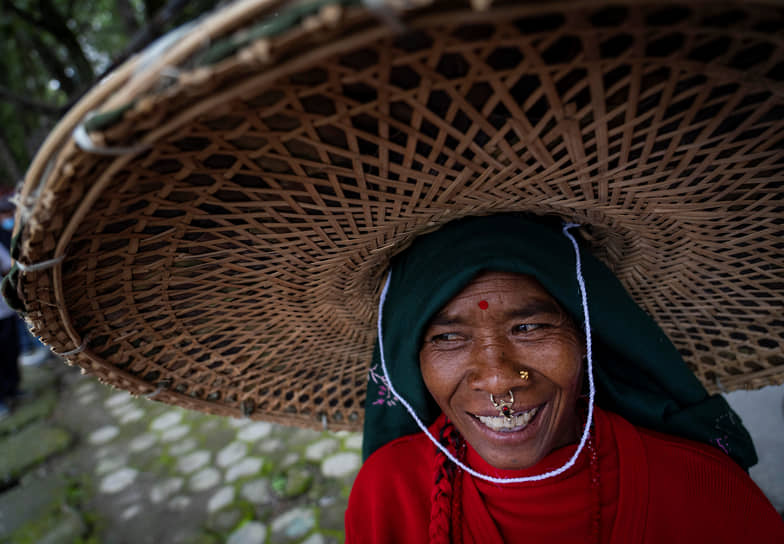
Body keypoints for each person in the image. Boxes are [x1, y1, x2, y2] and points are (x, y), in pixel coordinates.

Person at [345, 214, 784, 542]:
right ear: (411, 362)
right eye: (448, 337)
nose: (498, 380)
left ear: (587, 336)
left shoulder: (701, 489)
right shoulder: (389, 492)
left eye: (529, 328)